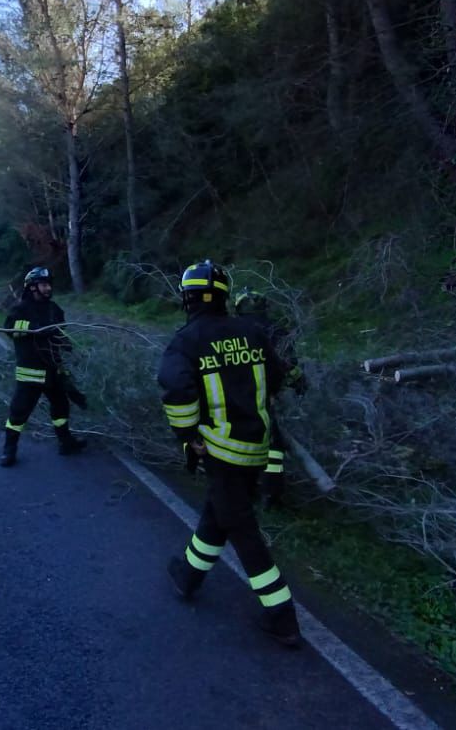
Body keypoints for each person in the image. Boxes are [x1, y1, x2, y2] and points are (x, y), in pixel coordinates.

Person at [159, 261, 301, 647]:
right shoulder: (252, 332)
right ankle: (187, 574)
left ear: (187, 297)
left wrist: (188, 435)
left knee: (242, 529)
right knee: (219, 513)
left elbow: (175, 389)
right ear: (224, 295)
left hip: (220, 450)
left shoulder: (187, 341)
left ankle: (282, 616)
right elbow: (276, 378)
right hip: (256, 446)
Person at [0, 267, 87, 467]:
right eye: (43, 285)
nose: (48, 288)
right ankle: (9, 450)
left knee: (61, 407)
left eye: (48, 285)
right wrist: (35, 331)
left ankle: (65, 442)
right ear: (32, 288)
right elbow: (12, 331)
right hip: (31, 373)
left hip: (54, 370)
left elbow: (60, 332)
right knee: (19, 412)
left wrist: (65, 344)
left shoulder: (53, 308)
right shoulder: (20, 309)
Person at [232, 287, 308, 508]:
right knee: (273, 446)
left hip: (231, 394)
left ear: (238, 307)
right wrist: (299, 383)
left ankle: (239, 488)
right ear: (265, 306)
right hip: (264, 396)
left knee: (236, 441)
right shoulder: (276, 330)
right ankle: (271, 494)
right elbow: (288, 365)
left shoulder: (229, 328)